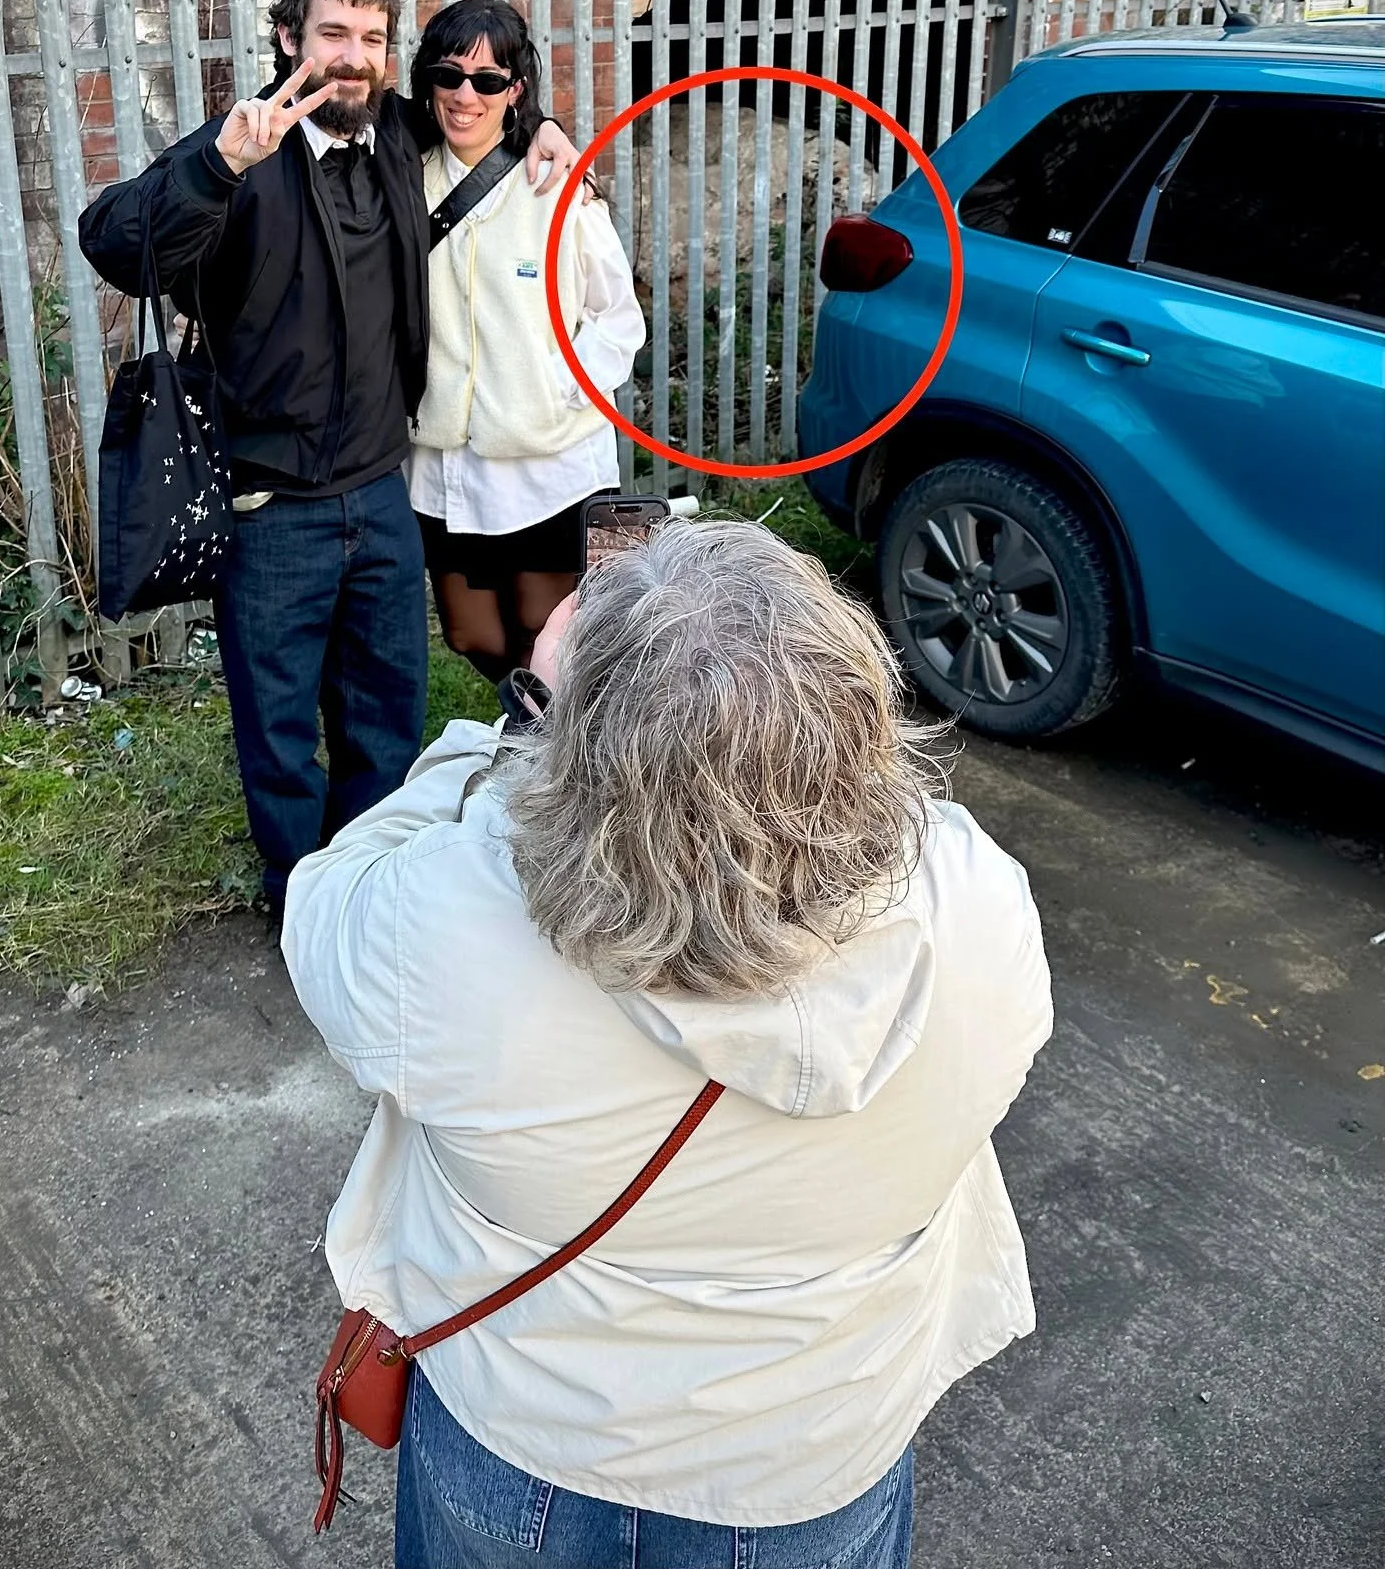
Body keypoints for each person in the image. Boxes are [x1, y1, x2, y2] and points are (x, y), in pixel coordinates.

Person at [284, 518, 1053, 1569]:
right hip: (812, 1462)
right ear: (857, 716)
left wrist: (509, 742)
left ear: (581, 751)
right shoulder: (978, 914)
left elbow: (323, 903)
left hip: (525, 1438)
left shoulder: (451, 926)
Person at [78, 0, 582, 928]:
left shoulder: (395, 135)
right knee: (276, 731)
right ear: (286, 40)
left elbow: (478, 102)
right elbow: (114, 241)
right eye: (333, 37)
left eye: (371, 40)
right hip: (273, 512)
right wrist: (216, 164)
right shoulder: (243, 154)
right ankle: (298, 902)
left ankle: (373, 887)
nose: (353, 58)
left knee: (385, 714)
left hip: (380, 496)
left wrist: (548, 124)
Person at [405, 0, 646, 682]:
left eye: (487, 81)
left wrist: (557, 388)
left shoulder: (559, 185)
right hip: (445, 466)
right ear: (428, 80)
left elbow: (618, 319)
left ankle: (557, 764)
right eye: (449, 76)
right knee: (472, 635)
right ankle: (533, 742)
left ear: (515, 90)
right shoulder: (404, 179)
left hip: (551, 468)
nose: (465, 96)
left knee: (559, 650)